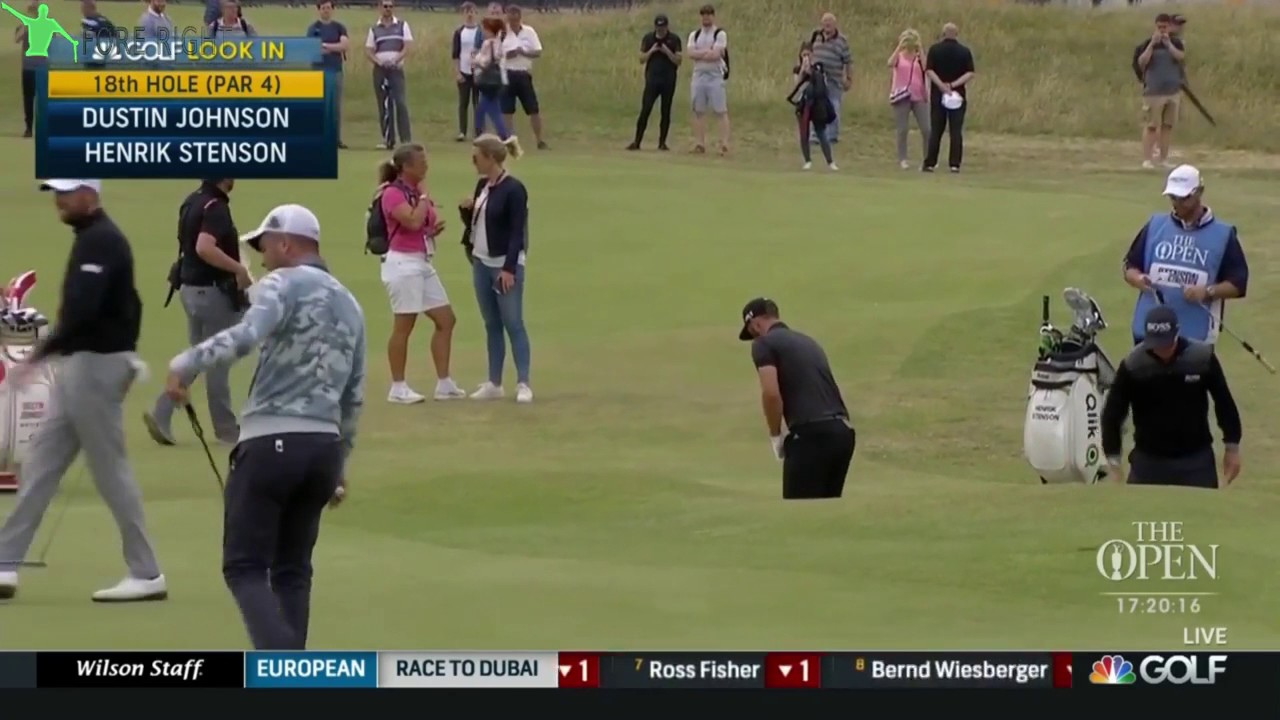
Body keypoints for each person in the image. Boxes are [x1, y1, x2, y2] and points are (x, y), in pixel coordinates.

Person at [165, 204, 367, 650]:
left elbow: (247, 335)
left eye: (265, 246)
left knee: (244, 566)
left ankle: (284, 674)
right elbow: (354, 394)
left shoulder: (281, 284)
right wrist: (340, 463)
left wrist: (185, 363)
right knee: (293, 570)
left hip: (271, 440)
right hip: (324, 449)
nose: (262, 256)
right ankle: (293, 673)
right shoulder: (350, 303)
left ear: (286, 243)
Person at [0, 179, 166, 603]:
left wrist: (39, 355)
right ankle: (5, 563)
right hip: (81, 365)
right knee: (41, 463)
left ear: (90, 195)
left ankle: (146, 573)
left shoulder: (103, 241)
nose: (59, 200)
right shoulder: (91, 239)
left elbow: (84, 309)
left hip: (94, 366)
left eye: (67, 193)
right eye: (56, 192)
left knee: (110, 471)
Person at [143, 179, 247, 447]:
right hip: (212, 294)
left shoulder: (192, 200)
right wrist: (238, 269)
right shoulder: (216, 207)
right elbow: (204, 246)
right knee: (218, 360)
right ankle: (227, 431)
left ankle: (162, 412)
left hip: (189, 290)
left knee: (198, 356)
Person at [1101, 306, 1241, 489]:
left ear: (1177, 333)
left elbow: (1224, 403)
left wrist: (1232, 447)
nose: (1162, 349)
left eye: (1166, 343)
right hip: (1148, 462)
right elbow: (1113, 414)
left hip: (1196, 461)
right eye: (1156, 344)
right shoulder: (1134, 366)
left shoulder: (1201, 359)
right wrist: (1113, 460)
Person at [738, 298, 854, 500]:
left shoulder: (764, 343)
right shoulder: (809, 342)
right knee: (826, 512)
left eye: (752, 331)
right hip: (842, 434)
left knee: (800, 512)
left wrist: (776, 435)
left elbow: (771, 394)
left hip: (812, 436)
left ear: (755, 324)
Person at [376, 144, 464, 404]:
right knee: (404, 325)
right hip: (402, 264)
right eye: (421, 161)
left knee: (446, 319)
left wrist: (431, 230)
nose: (426, 165)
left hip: (421, 261)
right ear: (406, 167)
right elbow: (412, 220)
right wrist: (425, 200)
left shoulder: (414, 191)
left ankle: (444, 383)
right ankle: (398, 387)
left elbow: (421, 224)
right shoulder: (392, 193)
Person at [1123, 165, 1248, 346]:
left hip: (1194, 335)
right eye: (1173, 197)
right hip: (1149, 331)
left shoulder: (1223, 235)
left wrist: (1207, 292)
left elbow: (1238, 283)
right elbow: (1130, 266)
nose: (1177, 203)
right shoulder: (1155, 226)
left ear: (1199, 192)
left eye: (1184, 198)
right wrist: (1138, 278)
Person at [460, 134, 532, 403]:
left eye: (476, 157)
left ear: (490, 158)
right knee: (491, 324)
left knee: (513, 323)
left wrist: (509, 268)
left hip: (504, 265)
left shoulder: (514, 189)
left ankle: (523, 382)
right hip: (481, 262)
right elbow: (479, 224)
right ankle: (494, 382)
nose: (473, 162)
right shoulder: (482, 186)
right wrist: (466, 211)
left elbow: (517, 233)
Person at [1134, 13, 1185, 169]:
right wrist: (1152, 45)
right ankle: (1147, 159)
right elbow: (1141, 62)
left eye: (1165, 27)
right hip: (1154, 91)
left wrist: (1168, 44)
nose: (1162, 30)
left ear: (1169, 27)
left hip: (1172, 91)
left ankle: (1163, 159)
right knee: (1151, 125)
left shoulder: (1176, 42)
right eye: (1159, 27)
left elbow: (1181, 57)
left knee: (1167, 126)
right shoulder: (1147, 43)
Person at [922, 22, 975, 174]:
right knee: (956, 130)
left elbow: (929, 70)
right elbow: (970, 73)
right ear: (956, 34)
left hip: (939, 94)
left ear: (943, 34)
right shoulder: (964, 51)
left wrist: (941, 85)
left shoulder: (935, 49)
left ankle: (930, 163)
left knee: (936, 129)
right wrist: (953, 85)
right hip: (958, 94)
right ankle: (955, 164)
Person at [628, 13, 681, 152]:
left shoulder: (674, 39)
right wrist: (652, 50)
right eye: (658, 28)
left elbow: (678, 60)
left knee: (666, 111)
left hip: (668, 80)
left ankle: (662, 142)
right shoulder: (648, 38)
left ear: (667, 27)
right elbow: (641, 59)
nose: (660, 30)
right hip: (652, 80)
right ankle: (637, 141)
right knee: (645, 109)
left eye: (663, 28)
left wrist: (666, 51)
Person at [365, 0, 412, 149]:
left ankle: (406, 141)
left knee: (401, 103)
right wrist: (378, 61)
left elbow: (407, 46)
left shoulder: (402, 25)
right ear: (380, 8)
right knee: (384, 105)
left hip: (396, 68)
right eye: (385, 6)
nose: (388, 9)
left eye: (391, 6)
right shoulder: (374, 29)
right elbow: (369, 50)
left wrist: (396, 59)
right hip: (380, 69)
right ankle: (388, 139)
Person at [501, 5, 548, 150]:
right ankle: (511, 141)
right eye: (511, 18)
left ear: (520, 17)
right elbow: (496, 54)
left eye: (516, 18)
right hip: (507, 73)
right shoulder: (502, 33)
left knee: (533, 109)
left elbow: (538, 52)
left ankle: (540, 140)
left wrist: (523, 52)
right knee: (507, 110)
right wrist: (508, 55)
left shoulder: (529, 32)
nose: (514, 21)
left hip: (523, 73)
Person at [687, 4, 729, 155]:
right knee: (698, 110)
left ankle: (724, 144)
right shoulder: (695, 34)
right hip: (698, 75)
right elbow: (691, 53)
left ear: (713, 16)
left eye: (709, 14)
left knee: (720, 110)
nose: (706, 17)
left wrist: (702, 53)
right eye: (704, 14)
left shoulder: (719, 33)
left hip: (715, 76)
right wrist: (707, 51)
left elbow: (716, 55)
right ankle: (700, 143)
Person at [307, 0, 349, 149]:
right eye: (323, 8)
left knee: (335, 106)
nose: (326, 10)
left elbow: (344, 45)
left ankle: (335, 138)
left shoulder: (339, 27)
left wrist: (325, 45)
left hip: (335, 70)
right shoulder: (313, 28)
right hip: (318, 71)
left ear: (332, 9)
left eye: (328, 8)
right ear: (319, 10)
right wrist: (333, 47)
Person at [787, 42, 835, 171]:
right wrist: (803, 71)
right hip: (803, 104)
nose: (806, 57)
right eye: (804, 55)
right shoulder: (797, 69)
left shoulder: (819, 68)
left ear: (812, 55)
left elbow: (823, 84)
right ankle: (807, 160)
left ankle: (830, 161)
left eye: (808, 54)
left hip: (817, 104)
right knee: (804, 133)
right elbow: (797, 86)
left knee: (821, 132)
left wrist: (812, 72)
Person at [807, 13, 852, 146]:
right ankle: (815, 136)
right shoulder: (815, 36)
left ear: (835, 24)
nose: (827, 24)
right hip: (817, 78)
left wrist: (849, 78)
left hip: (834, 80)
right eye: (825, 22)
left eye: (830, 22)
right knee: (815, 106)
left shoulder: (842, 41)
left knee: (834, 106)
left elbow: (848, 61)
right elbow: (807, 53)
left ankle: (832, 136)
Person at [888, 28, 929, 170]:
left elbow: (927, 68)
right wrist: (900, 46)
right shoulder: (899, 56)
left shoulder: (919, 57)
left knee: (926, 129)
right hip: (902, 95)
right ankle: (902, 159)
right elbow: (890, 63)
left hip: (919, 95)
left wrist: (920, 48)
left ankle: (927, 159)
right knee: (902, 128)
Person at [473, 16, 510, 140]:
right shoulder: (501, 42)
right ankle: (481, 133)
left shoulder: (488, 43)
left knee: (491, 111)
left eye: (485, 29)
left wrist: (475, 61)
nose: (483, 32)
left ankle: (503, 136)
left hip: (489, 81)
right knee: (483, 109)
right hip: (500, 80)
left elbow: (484, 62)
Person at [450, 2, 481, 142]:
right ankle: (462, 131)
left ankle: (479, 131)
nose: (469, 14)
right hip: (464, 70)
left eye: (472, 11)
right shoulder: (459, 32)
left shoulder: (480, 31)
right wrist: (457, 72)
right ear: (463, 14)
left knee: (478, 103)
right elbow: (455, 54)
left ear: (476, 13)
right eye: (467, 11)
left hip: (478, 71)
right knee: (463, 102)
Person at [14, 0, 40, 138]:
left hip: (38, 68)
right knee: (29, 99)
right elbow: (17, 39)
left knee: (37, 100)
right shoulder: (25, 25)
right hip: (30, 68)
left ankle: (36, 128)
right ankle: (29, 128)